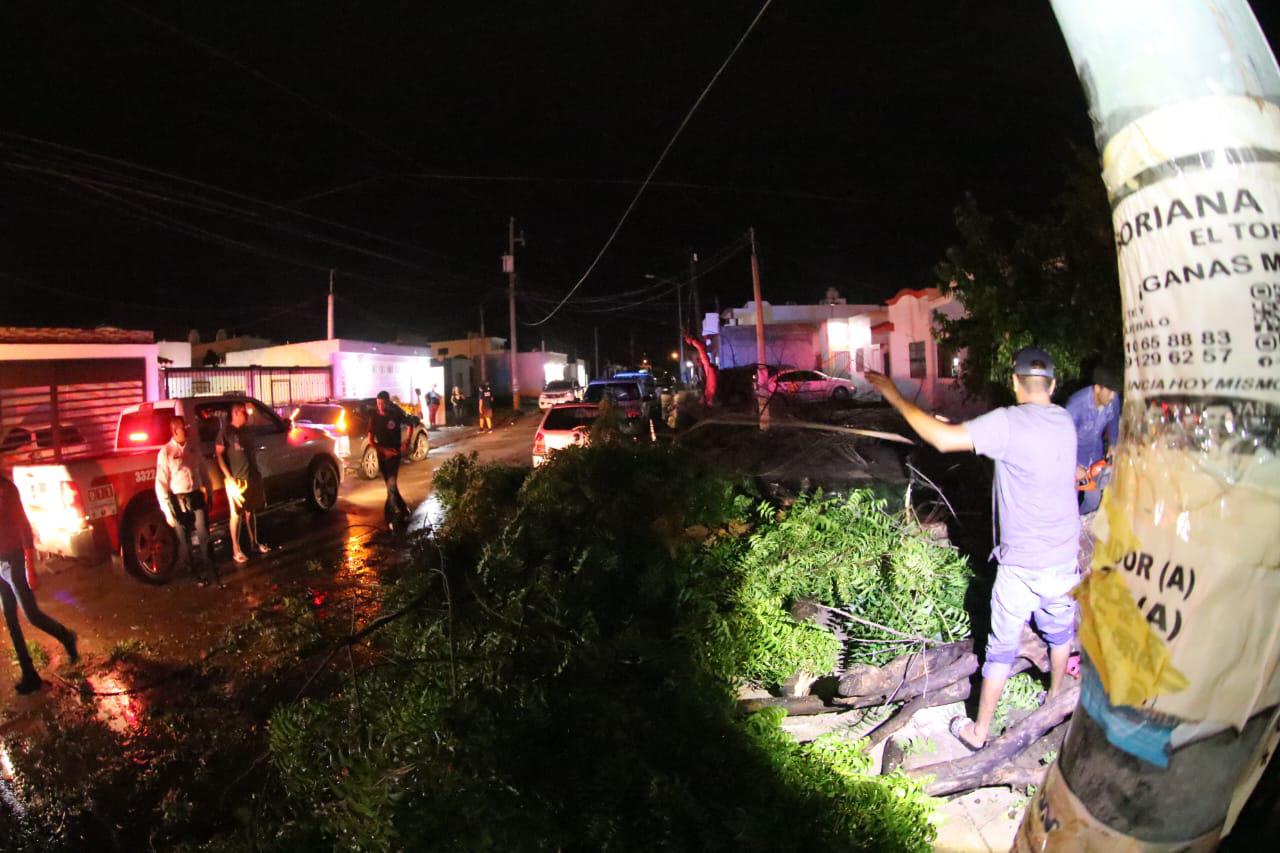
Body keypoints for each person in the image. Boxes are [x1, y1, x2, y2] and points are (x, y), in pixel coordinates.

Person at [867, 346, 1079, 751]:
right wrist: (967, 428)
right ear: (1051, 384)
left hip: (1021, 565)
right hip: (1063, 559)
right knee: (1059, 630)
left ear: (1015, 383)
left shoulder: (1009, 423)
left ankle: (978, 732)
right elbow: (1009, 442)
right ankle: (1054, 700)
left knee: (999, 649)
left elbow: (943, 441)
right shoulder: (1064, 421)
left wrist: (893, 394)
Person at [0, 475, 77, 693]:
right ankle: (29, 674)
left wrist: (29, 566)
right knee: (10, 620)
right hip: (0, 564)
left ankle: (66, 636)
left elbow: (24, 525)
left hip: (14, 561)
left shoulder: (7, 490)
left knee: (31, 614)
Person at [155, 415, 217, 585]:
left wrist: (209, 493)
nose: (187, 429)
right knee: (185, 540)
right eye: (184, 427)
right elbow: (161, 484)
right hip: (178, 499)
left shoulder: (193, 448)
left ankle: (212, 573)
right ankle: (194, 575)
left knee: (204, 534)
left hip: (196, 495)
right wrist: (167, 511)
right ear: (175, 431)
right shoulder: (166, 452)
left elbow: (204, 472)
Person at [216, 402, 271, 564]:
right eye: (243, 412)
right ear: (235, 413)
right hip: (236, 480)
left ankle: (254, 543)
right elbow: (219, 455)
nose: (246, 415)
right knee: (236, 515)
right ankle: (236, 549)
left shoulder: (247, 430)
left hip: (252, 477)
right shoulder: (226, 432)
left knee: (251, 511)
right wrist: (229, 478)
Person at [1065, 365, 1121, 516]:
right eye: (1110, 391)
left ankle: (1082, 529)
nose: (1113, 396)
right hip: (1073, 459)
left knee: (1094, 501)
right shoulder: (1075, 406)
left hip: (1095, 458)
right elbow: (1063, 441)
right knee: (1069, 505)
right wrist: (1074, 466)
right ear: (1097, 388)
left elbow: (1114, 423)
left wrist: (1113, 444)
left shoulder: (1113, 401)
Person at [369, 390, 410, 527]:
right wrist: (383, 450)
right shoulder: (374, 417)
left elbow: (410, 423)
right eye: (378, 403)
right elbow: (371, 441)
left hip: (394, 455)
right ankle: (403, 509)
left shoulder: (395, 414)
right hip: (382, 455)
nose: (380, 406)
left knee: (391, 485)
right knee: (390, 485)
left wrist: (406, 441)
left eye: (382, 403)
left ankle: (390, 517)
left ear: (387, 403)